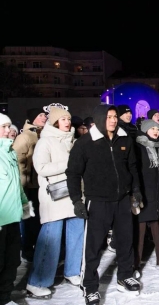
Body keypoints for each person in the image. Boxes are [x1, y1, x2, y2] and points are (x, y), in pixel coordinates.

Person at [66, 105, 142, 304]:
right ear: (100, 118)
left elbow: (132, 167)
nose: (113, 120)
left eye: (115, 116)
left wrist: (136, 191)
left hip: (122, 200)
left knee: (126, 241)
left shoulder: (125, 139)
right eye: (109, 117)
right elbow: (73, 174)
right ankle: (90, 286)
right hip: (97, 202)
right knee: (93, 247)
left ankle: (125, 276)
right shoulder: (85, 143)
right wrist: (76, 200)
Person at [26, 106, 84, 299]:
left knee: (76, 235)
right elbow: (41, 168)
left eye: (68, 119)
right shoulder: (46, 141)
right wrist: (69, 163)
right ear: (55, 122)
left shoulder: (74, 140)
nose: (67, 122)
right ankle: (38, 282)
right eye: (63, 119)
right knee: (50, 240)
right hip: (55, 197)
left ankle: (72, 272)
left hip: (75, 195)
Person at [133, 120, 159, 277]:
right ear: (144, 130)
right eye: (152, 128)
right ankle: (133, 264)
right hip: (143, 193)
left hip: (158, 193)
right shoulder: (138, 147)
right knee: (139, 230)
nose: (156, 131)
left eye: (157, 129)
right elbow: (133, 171)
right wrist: (134, 194)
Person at [0, 113, 33, 305]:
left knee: (12, 261)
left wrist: (25, 208)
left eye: (9, 127)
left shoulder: (10, 153)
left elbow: (16, 186)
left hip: (12, 218)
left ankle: (5, 297)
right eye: (3, 127)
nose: (8, 131)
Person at [13, 107, 47, 262]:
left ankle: (35, 248)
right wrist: (22, 185)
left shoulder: (43, 134)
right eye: (40, 115)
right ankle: (27, 250)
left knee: (38, 219)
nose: (44, 117)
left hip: (40, 185)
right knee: (29, 220)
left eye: (44, 115)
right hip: (29, 187)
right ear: (33, 118)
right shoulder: (25, 137)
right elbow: (18, 164)